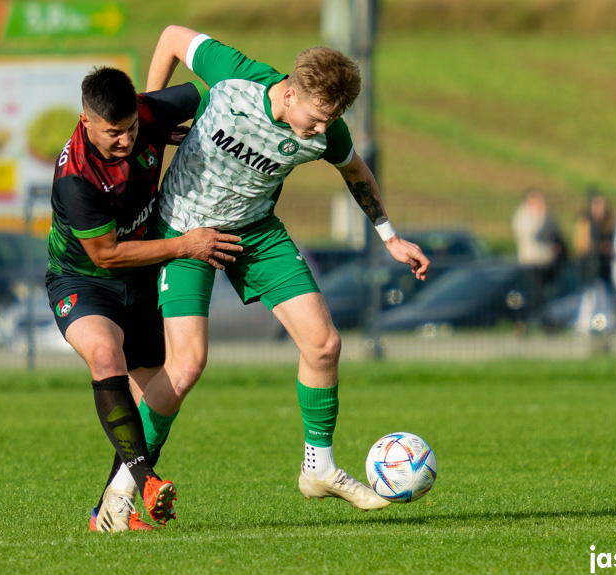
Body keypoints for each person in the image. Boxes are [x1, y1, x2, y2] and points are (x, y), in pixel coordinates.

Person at [103, 25, 431, 513]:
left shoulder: (328, 130)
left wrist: (390, 237)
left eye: (331, 121)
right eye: (317, 119)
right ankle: (123, 492)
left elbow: (356, 171)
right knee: (186, 365)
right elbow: (171, 36)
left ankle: (318, 468)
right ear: (291, 91)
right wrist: (154, 113)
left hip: (254, 230)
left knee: (324, 344)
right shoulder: (236, 76)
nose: (322, 131)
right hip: (186, 228)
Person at [45, 66, 243, 532]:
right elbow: (107, 253)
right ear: (86, 121)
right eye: (114, 133)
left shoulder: (148, 112)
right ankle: (147, 481)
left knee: (162, 395)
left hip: (141, 279)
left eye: (132, 127)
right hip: (84, 280)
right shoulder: (77, 178)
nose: (125, 140)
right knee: (103, 353)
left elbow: (220, 89)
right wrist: (189, 244)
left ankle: (109, 511)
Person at [511, 189, 564, 322]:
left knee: (548, 292)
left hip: (547, 260)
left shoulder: (548, 215)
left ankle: (539, 319)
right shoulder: (523, 216)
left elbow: (555, 232)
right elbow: (533, 235)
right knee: (536, 292)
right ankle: (542, 321)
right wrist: (540, 217)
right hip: (531, 261)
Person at [573, 193, 615, 284]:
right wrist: (600, 247)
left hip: (606, 264)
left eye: (601, 205)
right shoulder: (584, 222)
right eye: (596, 205)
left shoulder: (609, 223)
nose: (599, 209)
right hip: (589, 264)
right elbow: (582, 246)